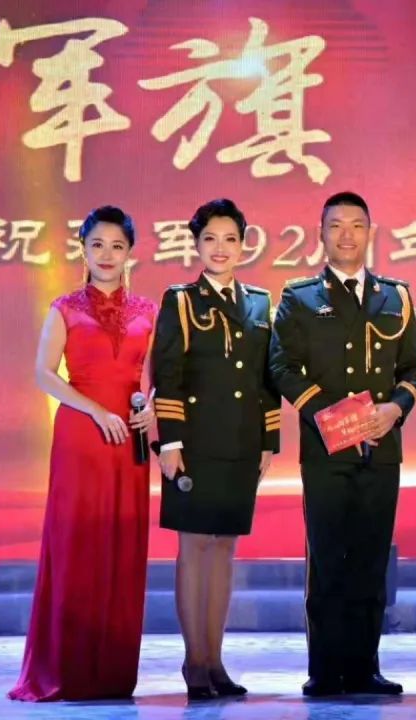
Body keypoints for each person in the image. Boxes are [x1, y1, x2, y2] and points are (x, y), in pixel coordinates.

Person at [269, 191, 416, 697]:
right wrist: (331, 417)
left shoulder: (395, 296)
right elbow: (281, 366)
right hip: (326, 451)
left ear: (370, 232)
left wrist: (395, 408)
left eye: (356, 225)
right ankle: (325, 668)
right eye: (335, 225)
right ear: (320, 233)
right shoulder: (299, 297)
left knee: (371, 560)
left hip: (382, 449)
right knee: (328, 558)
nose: (346, 235)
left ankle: (365, 667)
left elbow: (413, 368)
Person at [9, 206, 156, 702]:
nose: (107, 255)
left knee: (121, 544)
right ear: (83, 250)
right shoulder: (64, 308)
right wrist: (95, 410)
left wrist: (149, 407)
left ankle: (112, 671)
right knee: (77, 543)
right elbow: (44, 373)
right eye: (97, 245)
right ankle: (66, 668)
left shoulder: (149, 311)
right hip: (80, 436)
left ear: (130, 252)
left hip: (128, 440)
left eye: (117, 246)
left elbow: (156, 376)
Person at [151, 198, 280, 700]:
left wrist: (268, 440)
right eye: (210, 239)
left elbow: (267, 380)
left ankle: (217, 660)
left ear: (244, 245)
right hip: (194, 443)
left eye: (230, 239)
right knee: (193, 547)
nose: (220, 248)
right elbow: (168, 374)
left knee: (225, 549)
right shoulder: (181, 301)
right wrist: (170, 441)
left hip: (242, 443)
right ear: (196, 245)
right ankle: (194, 661)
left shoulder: (260, 303)